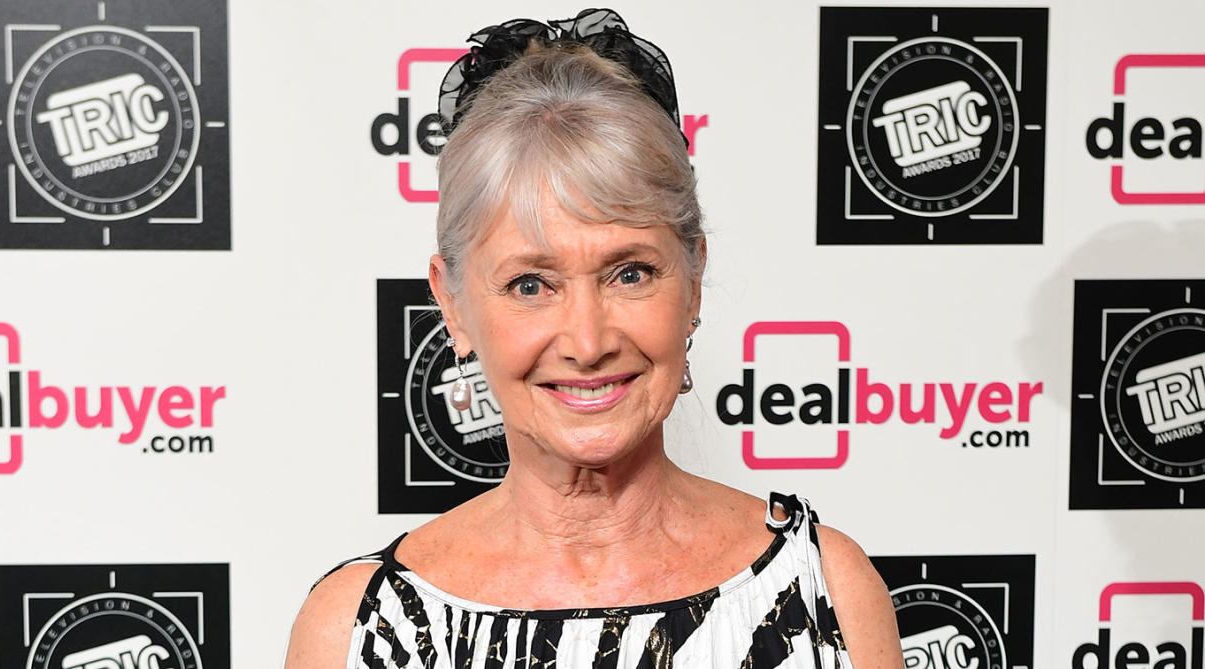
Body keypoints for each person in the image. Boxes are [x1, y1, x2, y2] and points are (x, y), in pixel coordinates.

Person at [286, 9, 901, 668]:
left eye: (629, 272)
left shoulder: (826, 590)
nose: (586, 339)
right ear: (453, 304)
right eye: (531, 284)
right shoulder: (356, 630)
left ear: (693, 280)